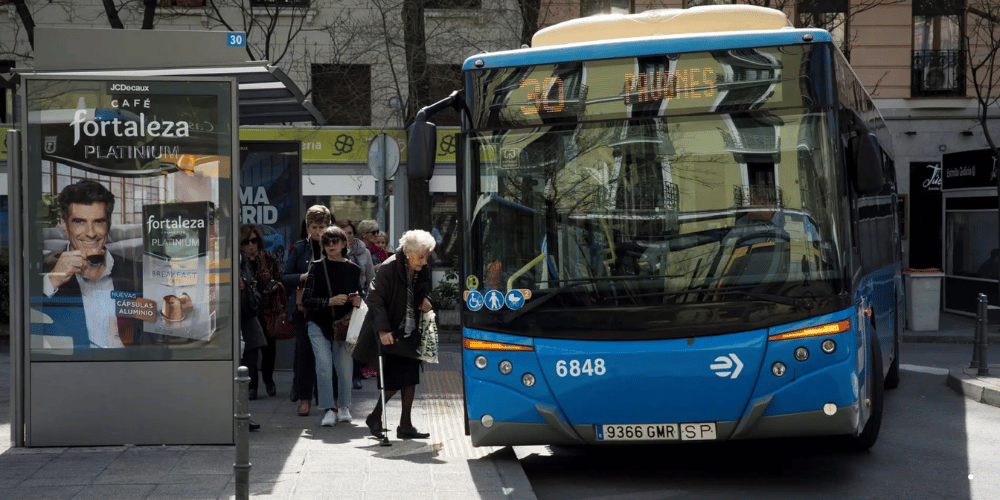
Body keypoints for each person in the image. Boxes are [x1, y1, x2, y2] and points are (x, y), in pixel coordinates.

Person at [43, 179, 147, 348]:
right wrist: (52, 281)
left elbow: (151, 335)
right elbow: (25, 329)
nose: (90, 233)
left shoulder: (136, 272)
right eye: (80, 222)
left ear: (109, 224)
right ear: (64, 224)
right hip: (74, 370)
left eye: (99, 221)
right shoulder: (45, 273)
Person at [353, 229, 436, 440]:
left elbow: (421, 291)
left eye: (426, 256)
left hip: (408, 327)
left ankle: (405, 425)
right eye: (420, 256)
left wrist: (423, 300)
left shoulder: (419, 266)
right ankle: (376, 416)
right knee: (395, 377)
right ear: (408, 252)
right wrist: (382, 330)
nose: (424, 261)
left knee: (410, 376)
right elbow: (375, 299)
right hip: (389, 327)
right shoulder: (390, 267)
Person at [301, 226, 363, 427]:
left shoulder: (354, 269)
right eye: (326, 242)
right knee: (324, 366)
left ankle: (343, 407)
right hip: (318, 324)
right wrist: (330, 301)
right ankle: (328, 409)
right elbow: (307, 300)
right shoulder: (317, 267)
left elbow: (361, 296)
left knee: (345, 369)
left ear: (344, 244)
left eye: (334, 241)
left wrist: (357, 300)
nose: (330, 246)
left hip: (344, 326)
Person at [281, 205, 330, 417]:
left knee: (326, 354)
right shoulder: (300, 248)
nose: (318, 231)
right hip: (303, 308)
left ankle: (325, 397)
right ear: (307, 226)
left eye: (322, 227)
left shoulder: (334, 245)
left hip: (327, 307)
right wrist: (303, 276)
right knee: (305, 353)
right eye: (314, 227)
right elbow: (285, 277)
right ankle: (304, 398)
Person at [240, 224, 283, 400]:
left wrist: (273, 285)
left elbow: (280, 278)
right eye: (246, 242)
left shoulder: (269, 258)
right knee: (251, 349)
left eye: (254, 240)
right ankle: (252, 385)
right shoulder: (239, 261)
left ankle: (268, 379)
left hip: (268, 308)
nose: (251, 245)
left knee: (269, 348)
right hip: (250, 309)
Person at [239, 249, 267, 431]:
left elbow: (256, 301)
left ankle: (243, 414)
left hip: (247, 325)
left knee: (247, 370)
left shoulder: (244, 267)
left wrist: (246, 287)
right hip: (227, 326)